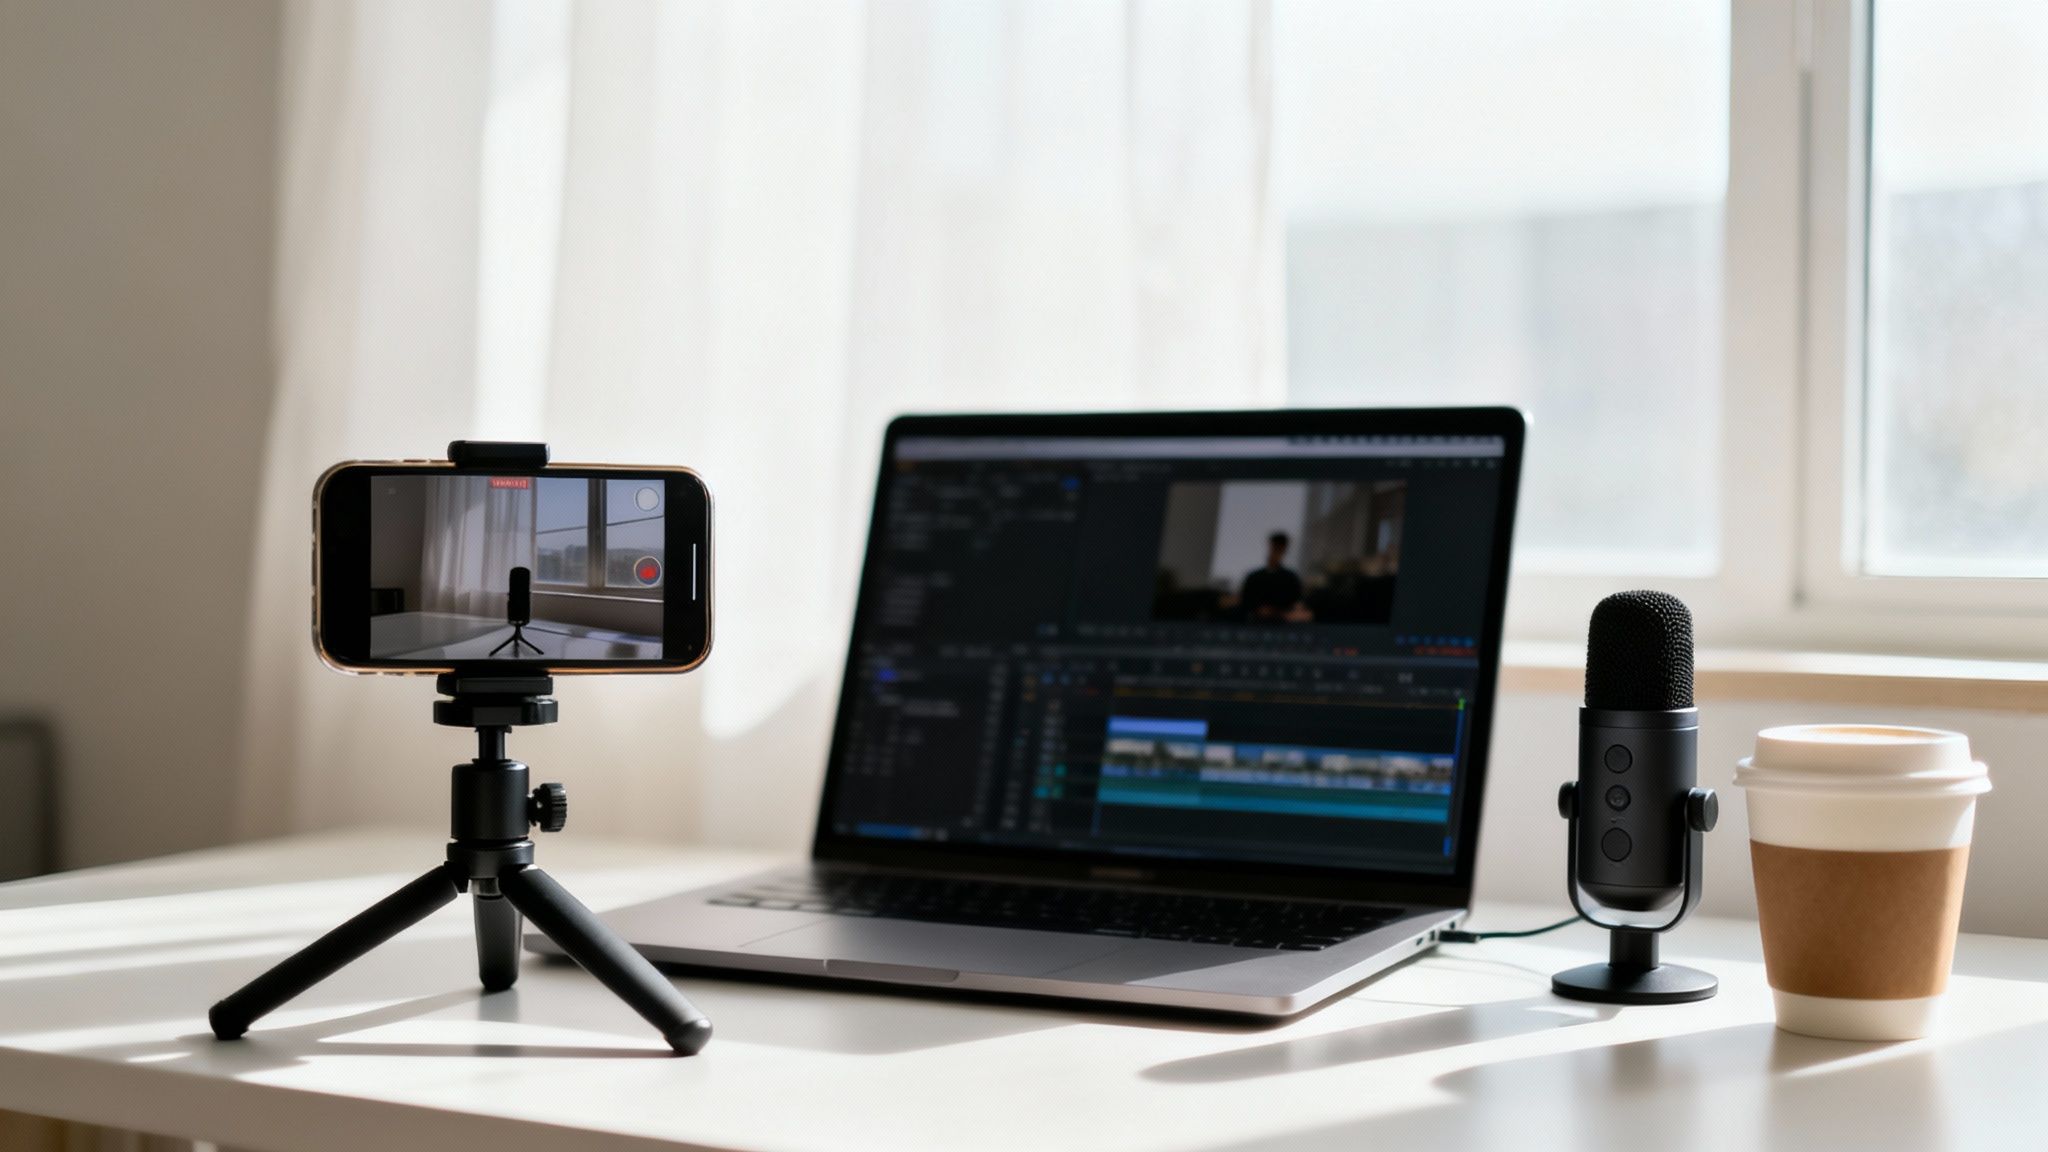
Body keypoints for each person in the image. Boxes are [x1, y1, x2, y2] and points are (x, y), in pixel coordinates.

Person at [1239, 532, 1308, 622]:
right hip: (1256, 622)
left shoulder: (1291, 578)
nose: (1275, 553)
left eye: (1279, 549)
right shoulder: (1254, 577)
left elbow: (1297, 604)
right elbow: (1245, 601)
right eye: (1274, 548)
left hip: (1283, 623)